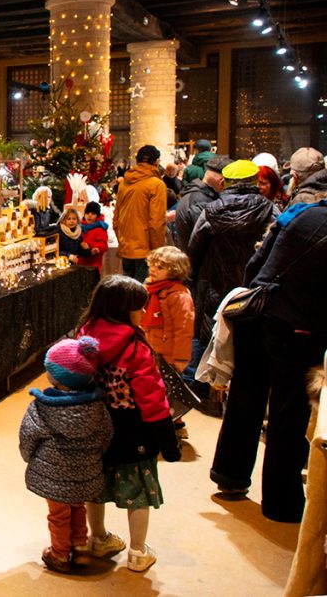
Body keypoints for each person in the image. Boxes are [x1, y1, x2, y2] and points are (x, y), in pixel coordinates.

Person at [211, 199, 327, 522]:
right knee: (288, 414)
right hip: (298, 327)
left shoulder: (302, 212)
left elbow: (256, 260)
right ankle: (281, 502)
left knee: (246, 397)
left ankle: (229, 475)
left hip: (258, 311)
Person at [78, 275, 181, 573]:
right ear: (125, 310)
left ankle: (97, 538)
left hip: (93, 424)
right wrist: (168, 441)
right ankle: (137, 551)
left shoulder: (83, 334)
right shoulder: (135, 347)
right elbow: (153, 399)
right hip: (131, 430)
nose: (144, 313)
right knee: (138, 490)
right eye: (140, 307)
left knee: (95, 486)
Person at [19, 336, 113, 574]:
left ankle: (60, 554)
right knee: (77, 506)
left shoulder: (42, 406)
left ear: (56, 376)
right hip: (85, 472)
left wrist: (29, 458)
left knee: (59, 515)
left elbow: (28, 436)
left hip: (53, 475)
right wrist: (94, 458)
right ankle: (80, 549)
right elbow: (106, 436)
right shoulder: (97, 406)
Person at [188, 159, 277, 374]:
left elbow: (194, 247)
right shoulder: (269, 209)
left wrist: (195, 277)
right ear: (254, 181)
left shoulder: (211, 210)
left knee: (207, 334)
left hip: (214, 281)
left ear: (226, 183)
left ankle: (200, 388)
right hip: (253, 284)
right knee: (248, 339)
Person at [141, 246, 195, 438]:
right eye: (152, 264)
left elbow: (184, 329)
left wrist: (181, 358)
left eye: (160, 267)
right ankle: (172, 426)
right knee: (157, 391)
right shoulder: (151, 289)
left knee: (169, 392)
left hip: (169, 354)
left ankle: (175, 427)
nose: (153, 269)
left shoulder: (178, 295)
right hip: (152, 350)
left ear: (174, 270)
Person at [113, 145, 167, 283]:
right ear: (156, 162)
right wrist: (158, 251)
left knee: (127, 293)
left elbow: (116, 216)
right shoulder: (156, 184)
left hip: (126, 246)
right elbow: (156, 222)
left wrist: (122, 241)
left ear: (137, 161)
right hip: (145, 249)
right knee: (142, 295)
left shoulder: (124, 183)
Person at [173, 154, 229, 252]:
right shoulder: (199, 200)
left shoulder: (199, 195)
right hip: (199, 264)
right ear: (222, 182)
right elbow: (206, 239)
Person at [77, 202, 109, 271]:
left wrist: (93, 247)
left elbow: (103, 244)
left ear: (97, 216)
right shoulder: (80, 227)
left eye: (93, 214)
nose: (89, 216)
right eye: (87, 213)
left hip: (94, 264)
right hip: (79, 263)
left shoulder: (99, 229)